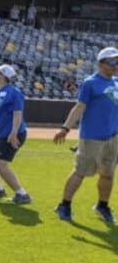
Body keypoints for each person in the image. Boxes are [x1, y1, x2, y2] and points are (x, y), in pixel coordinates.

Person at [52, 47, 118, 223]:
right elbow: (79, 107)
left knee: (108, 174)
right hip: (92, 137)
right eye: (112, 62)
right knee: (80, 172)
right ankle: (64, 205)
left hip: (113, 137)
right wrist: (65, 128)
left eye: (117, 62)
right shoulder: (91, 83)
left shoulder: (116, 82)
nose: (115, 65)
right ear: (100, 64)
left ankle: (102, 206)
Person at [0, 64, 32, 205]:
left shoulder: (13, 92)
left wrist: (13, 133)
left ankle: (22, 194)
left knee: (0, 164)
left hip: (11, 133)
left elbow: (17, 114)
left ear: (3, 76)